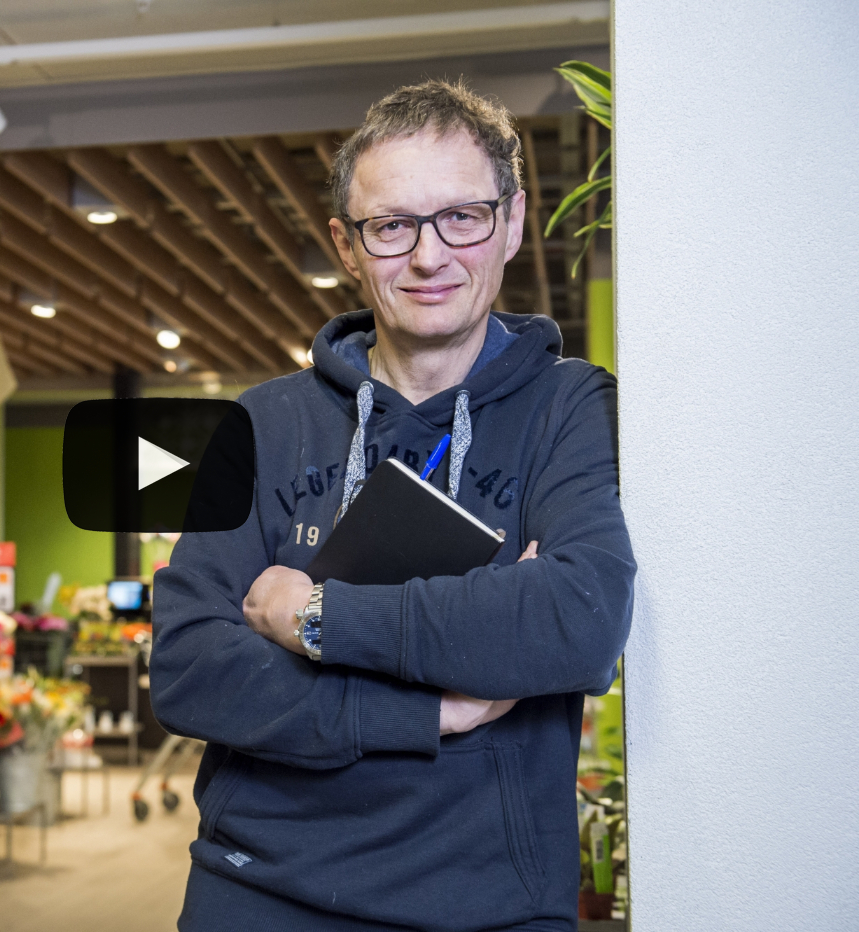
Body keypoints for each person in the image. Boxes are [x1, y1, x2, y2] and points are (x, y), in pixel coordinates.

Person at [149, 79, 635, 931]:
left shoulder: (573, 408)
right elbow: (190, 667)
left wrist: (315, 619)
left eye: (463, 217)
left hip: (493, 902)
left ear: (513, 222)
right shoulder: (260, 423)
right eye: (392, 226)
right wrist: (431, 708)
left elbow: (577, 616)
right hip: (260, 892)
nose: (429, 255)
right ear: (347, 244)